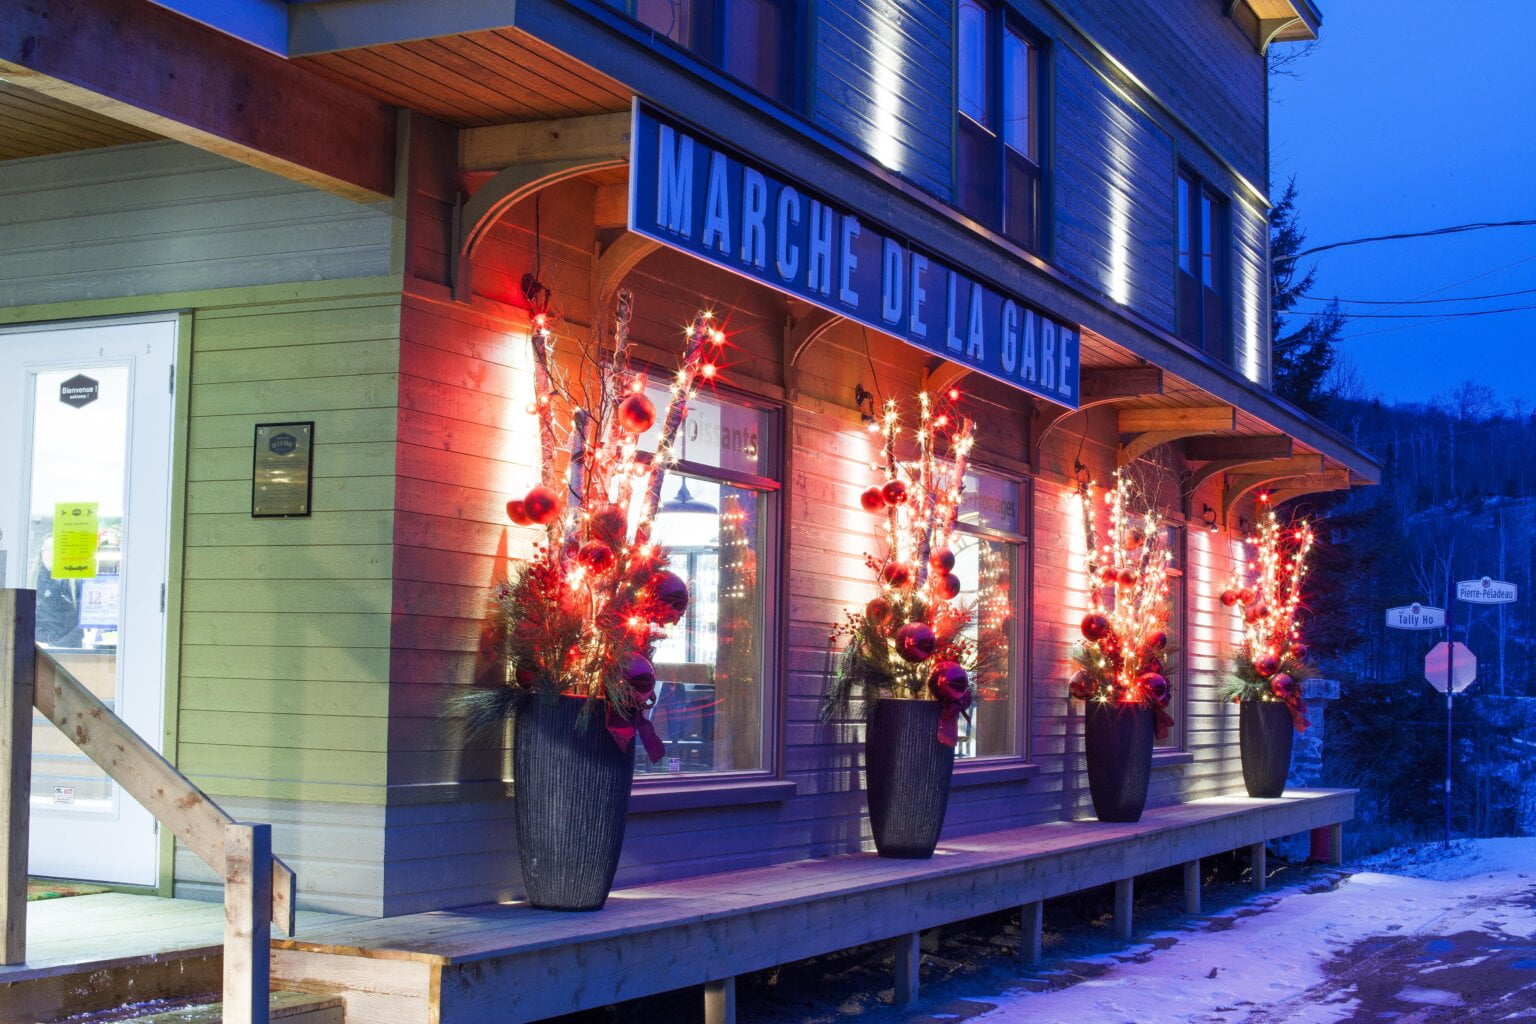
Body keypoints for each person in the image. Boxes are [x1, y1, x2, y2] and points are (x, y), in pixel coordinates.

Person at [34, 537, 83, 648]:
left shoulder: (75, 583)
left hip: (68, 651)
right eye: (46, 549)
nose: (49, 553)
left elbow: (82, 623)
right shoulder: (32, 580)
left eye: (55, 549)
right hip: (37, 648)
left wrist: (56, 646)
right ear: (41, 553)